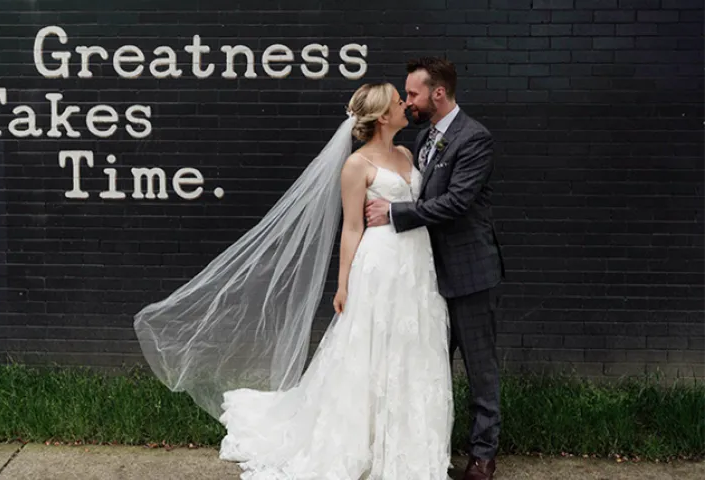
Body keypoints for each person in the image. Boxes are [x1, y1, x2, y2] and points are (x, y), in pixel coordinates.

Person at [134, 81, 454, 479]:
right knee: (372, 349)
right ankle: (363, 438)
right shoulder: (357, 165)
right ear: (382, 117)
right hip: (381, 265)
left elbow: (420, 206)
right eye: (397, 101)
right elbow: (351, 229)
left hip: (416, 266)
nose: (405, 105)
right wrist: (343, 284)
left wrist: (401, 208)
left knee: (411, 347)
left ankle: (407, 440)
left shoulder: (407, 153)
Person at [365, 57, 505, 480]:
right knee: (425, 367)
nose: (408, 102)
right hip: (424, 277)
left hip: (468, 272)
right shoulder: (425, 136)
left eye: (413, 94)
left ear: (437, 94)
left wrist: (394, 213)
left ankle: (483, 454)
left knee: (480, 368)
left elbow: (458, 202)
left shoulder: (474, 138)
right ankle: (424, 446)